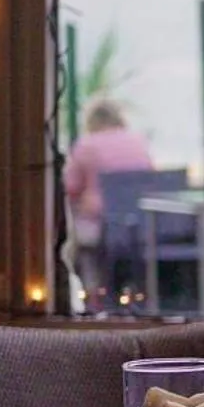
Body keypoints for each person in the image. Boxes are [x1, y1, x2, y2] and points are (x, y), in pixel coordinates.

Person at [62, 100, 154, 298]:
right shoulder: (138, 141)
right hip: (142, 226)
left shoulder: (87, 145)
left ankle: (89, 292)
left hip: (102, 226)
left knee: (73, 234)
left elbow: (69, 187)